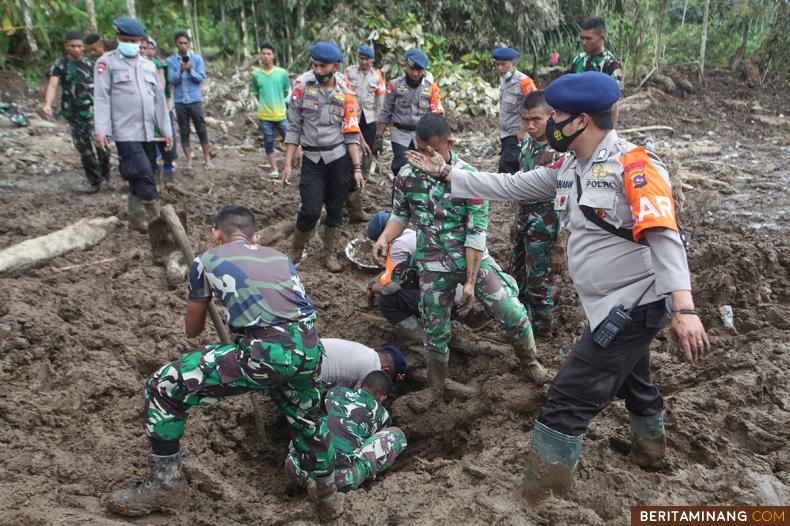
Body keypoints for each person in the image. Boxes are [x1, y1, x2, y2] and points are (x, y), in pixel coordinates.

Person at [405, 71, 709, 503]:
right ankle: (649, 447)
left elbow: (664, 235)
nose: (548, 124)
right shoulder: (569, 166)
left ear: (580, 120)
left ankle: (539, 497)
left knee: (567, 398)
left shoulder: (635, 166)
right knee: (633, 375)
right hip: (607, 305)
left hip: (632, 306)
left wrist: (685, 310)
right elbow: (509, 186)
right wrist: (450, 173)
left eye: (556, 116)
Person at [104, 205, 342, 521]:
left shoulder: (207, 260)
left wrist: (211, 294)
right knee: (308, 417)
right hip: (310, 346)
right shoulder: (280, 258)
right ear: (255, 236)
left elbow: (193, 329)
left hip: (266, 350)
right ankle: (327, 496)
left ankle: (165, 485)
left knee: (165, 384)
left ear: (217, 234)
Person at [372, 114, 547, 404]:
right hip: (430, 264)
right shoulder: (406, 175)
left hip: (473, 261)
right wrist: (384, 238)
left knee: (513, 313)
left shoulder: (468, 177)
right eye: (420, 149)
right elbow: (400, 214)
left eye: (432, 151)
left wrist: (468, 282)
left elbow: (476, 235)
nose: (425, 158)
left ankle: (530, 364)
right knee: (434, 332)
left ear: (448, 144)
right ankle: (436, 388)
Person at [283, 41, 364, 273]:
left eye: (323, 66)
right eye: (315, 65)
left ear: (336, 66)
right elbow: (294, 126)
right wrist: (288, 162)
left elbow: (351, 132)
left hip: (338, 159)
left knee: (336, 208)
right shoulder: (301, 85)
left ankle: (330, 253)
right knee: (310, 209)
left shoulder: (346, 91)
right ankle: (296, 250)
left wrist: (356, 168)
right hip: (312, 159)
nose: (318, 70)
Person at [93, 16, 172, 232]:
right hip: (124, 131)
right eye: (127, 39)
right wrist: (101, 130)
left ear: (140, 41)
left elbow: (158, 100)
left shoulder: (148, 65)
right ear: (118, 38)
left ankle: (137, 220)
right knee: (143, 171)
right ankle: (158, 223)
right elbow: (101, 97)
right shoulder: (106, 63)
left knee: (143, 172)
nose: (131, 44)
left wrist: (166, 129)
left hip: (147, 131)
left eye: (135, 40)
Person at [284, 371, 407, 492]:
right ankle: (357, 475)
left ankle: (307, 479)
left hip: (297, 468)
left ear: (360, 384)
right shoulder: (382, 415)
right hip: (338, 479)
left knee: (312, 421)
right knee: (397, 435)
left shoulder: (335, 391)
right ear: (383, 398)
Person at [508, 90, 564, 336]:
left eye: (536, 120)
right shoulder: (527, 142)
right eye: (525, 120)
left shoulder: (561, 147)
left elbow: (566, 196)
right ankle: (520, 323)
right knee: (515, 273)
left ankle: (542, 331)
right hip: (524, 216)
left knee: (538, 279)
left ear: (550, 116)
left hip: (546, 221)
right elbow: (520, 178)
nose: (529, 126)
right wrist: (514, 217)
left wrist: (561, 243)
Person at [42, 31, 111, 193]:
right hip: (74, 113)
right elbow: (52, 85)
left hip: (94, 111)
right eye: (73, 46)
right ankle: (94, 182)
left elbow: (104, 84)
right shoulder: (60, 65)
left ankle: (106, 174)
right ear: (66, 46)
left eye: (80, 46)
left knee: (103, 146)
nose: (77, 49)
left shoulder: (91, 64)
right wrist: (47, 104)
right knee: (84, 149)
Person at [377, 49, 444, 179]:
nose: (415, 73)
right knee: (400, 166)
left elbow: (437, 114)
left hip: (422, 134)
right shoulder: (395, 85)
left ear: (423, 70)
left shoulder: (430, 87)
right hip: (399, 132)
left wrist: (438, 137)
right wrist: (379, 135)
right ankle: (399, 193)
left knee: (422, 167)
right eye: (412, 68)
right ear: (406, 65)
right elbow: (386, 110)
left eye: (419, 70)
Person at [166, 31, 211, 171]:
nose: (183, 46)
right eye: (180, 43)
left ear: (188, 44)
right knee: (184, 131)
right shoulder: (170, 61)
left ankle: (207, 159)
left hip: (195, 99)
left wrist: (191, 71)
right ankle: (189, 160)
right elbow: (171, 81)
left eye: (185, 43)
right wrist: (179, 71)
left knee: (201, 130)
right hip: (180, 101)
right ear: (176, 44)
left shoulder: (197, 59)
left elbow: (200, 79)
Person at [343, 44, 385, 182]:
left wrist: (380, 120)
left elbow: (380, 98)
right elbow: (342, 92)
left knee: (369, 143)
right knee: (349, 142)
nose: (364, 62)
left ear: (372, 59)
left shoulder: (377, 76)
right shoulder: (349, 72)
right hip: (351, 115)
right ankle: (349, 170)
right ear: (357, 57)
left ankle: (366, 173)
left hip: (369, 115)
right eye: (361, 58)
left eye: (367, 59)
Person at [492, 47, 537, 174]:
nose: (500, 68)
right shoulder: (503, 80)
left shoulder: (524, 82)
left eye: (503, 64)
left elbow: (535, 106)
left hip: (517, 134)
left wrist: (524, 130)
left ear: (513, 63)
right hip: (505, 134)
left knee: (506, 166)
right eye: (497, 64)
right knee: (513, 167)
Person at [141, 36, 178, 186]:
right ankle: (154, 171)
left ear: (155, 50)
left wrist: (157, 98)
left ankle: (168, 170)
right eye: (143, 48)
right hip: (144, 109)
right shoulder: (136, 65)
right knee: (149, 139)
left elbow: (161, 87)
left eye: (150, 48)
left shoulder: (157, 65)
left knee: (166, 136)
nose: (146, 51)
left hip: (159, 105)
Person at [251, 42, 291, 179]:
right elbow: (256, 93)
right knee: (268, 141)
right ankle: (274, 169)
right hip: (264, 115)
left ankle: (289, 165)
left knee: (290, 140)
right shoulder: (256, 75)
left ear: (273, 56)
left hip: (280, 114)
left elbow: (286, 92)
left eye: (269, 53)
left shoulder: (282, 73)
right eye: (263, 53)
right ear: (260, 55)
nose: (266, 56)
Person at [320, 338, 408, 388]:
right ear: (386, 370)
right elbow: (357, 403)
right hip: (311, 371)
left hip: (309, 349)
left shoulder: (366, 351)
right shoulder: (373, 370)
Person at [569, 16, 623, 86]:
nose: (584, 42)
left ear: (602, 38)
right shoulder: (578, 60)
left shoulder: (612, 64)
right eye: (582, 38)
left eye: (588, 38)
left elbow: (614, 93)